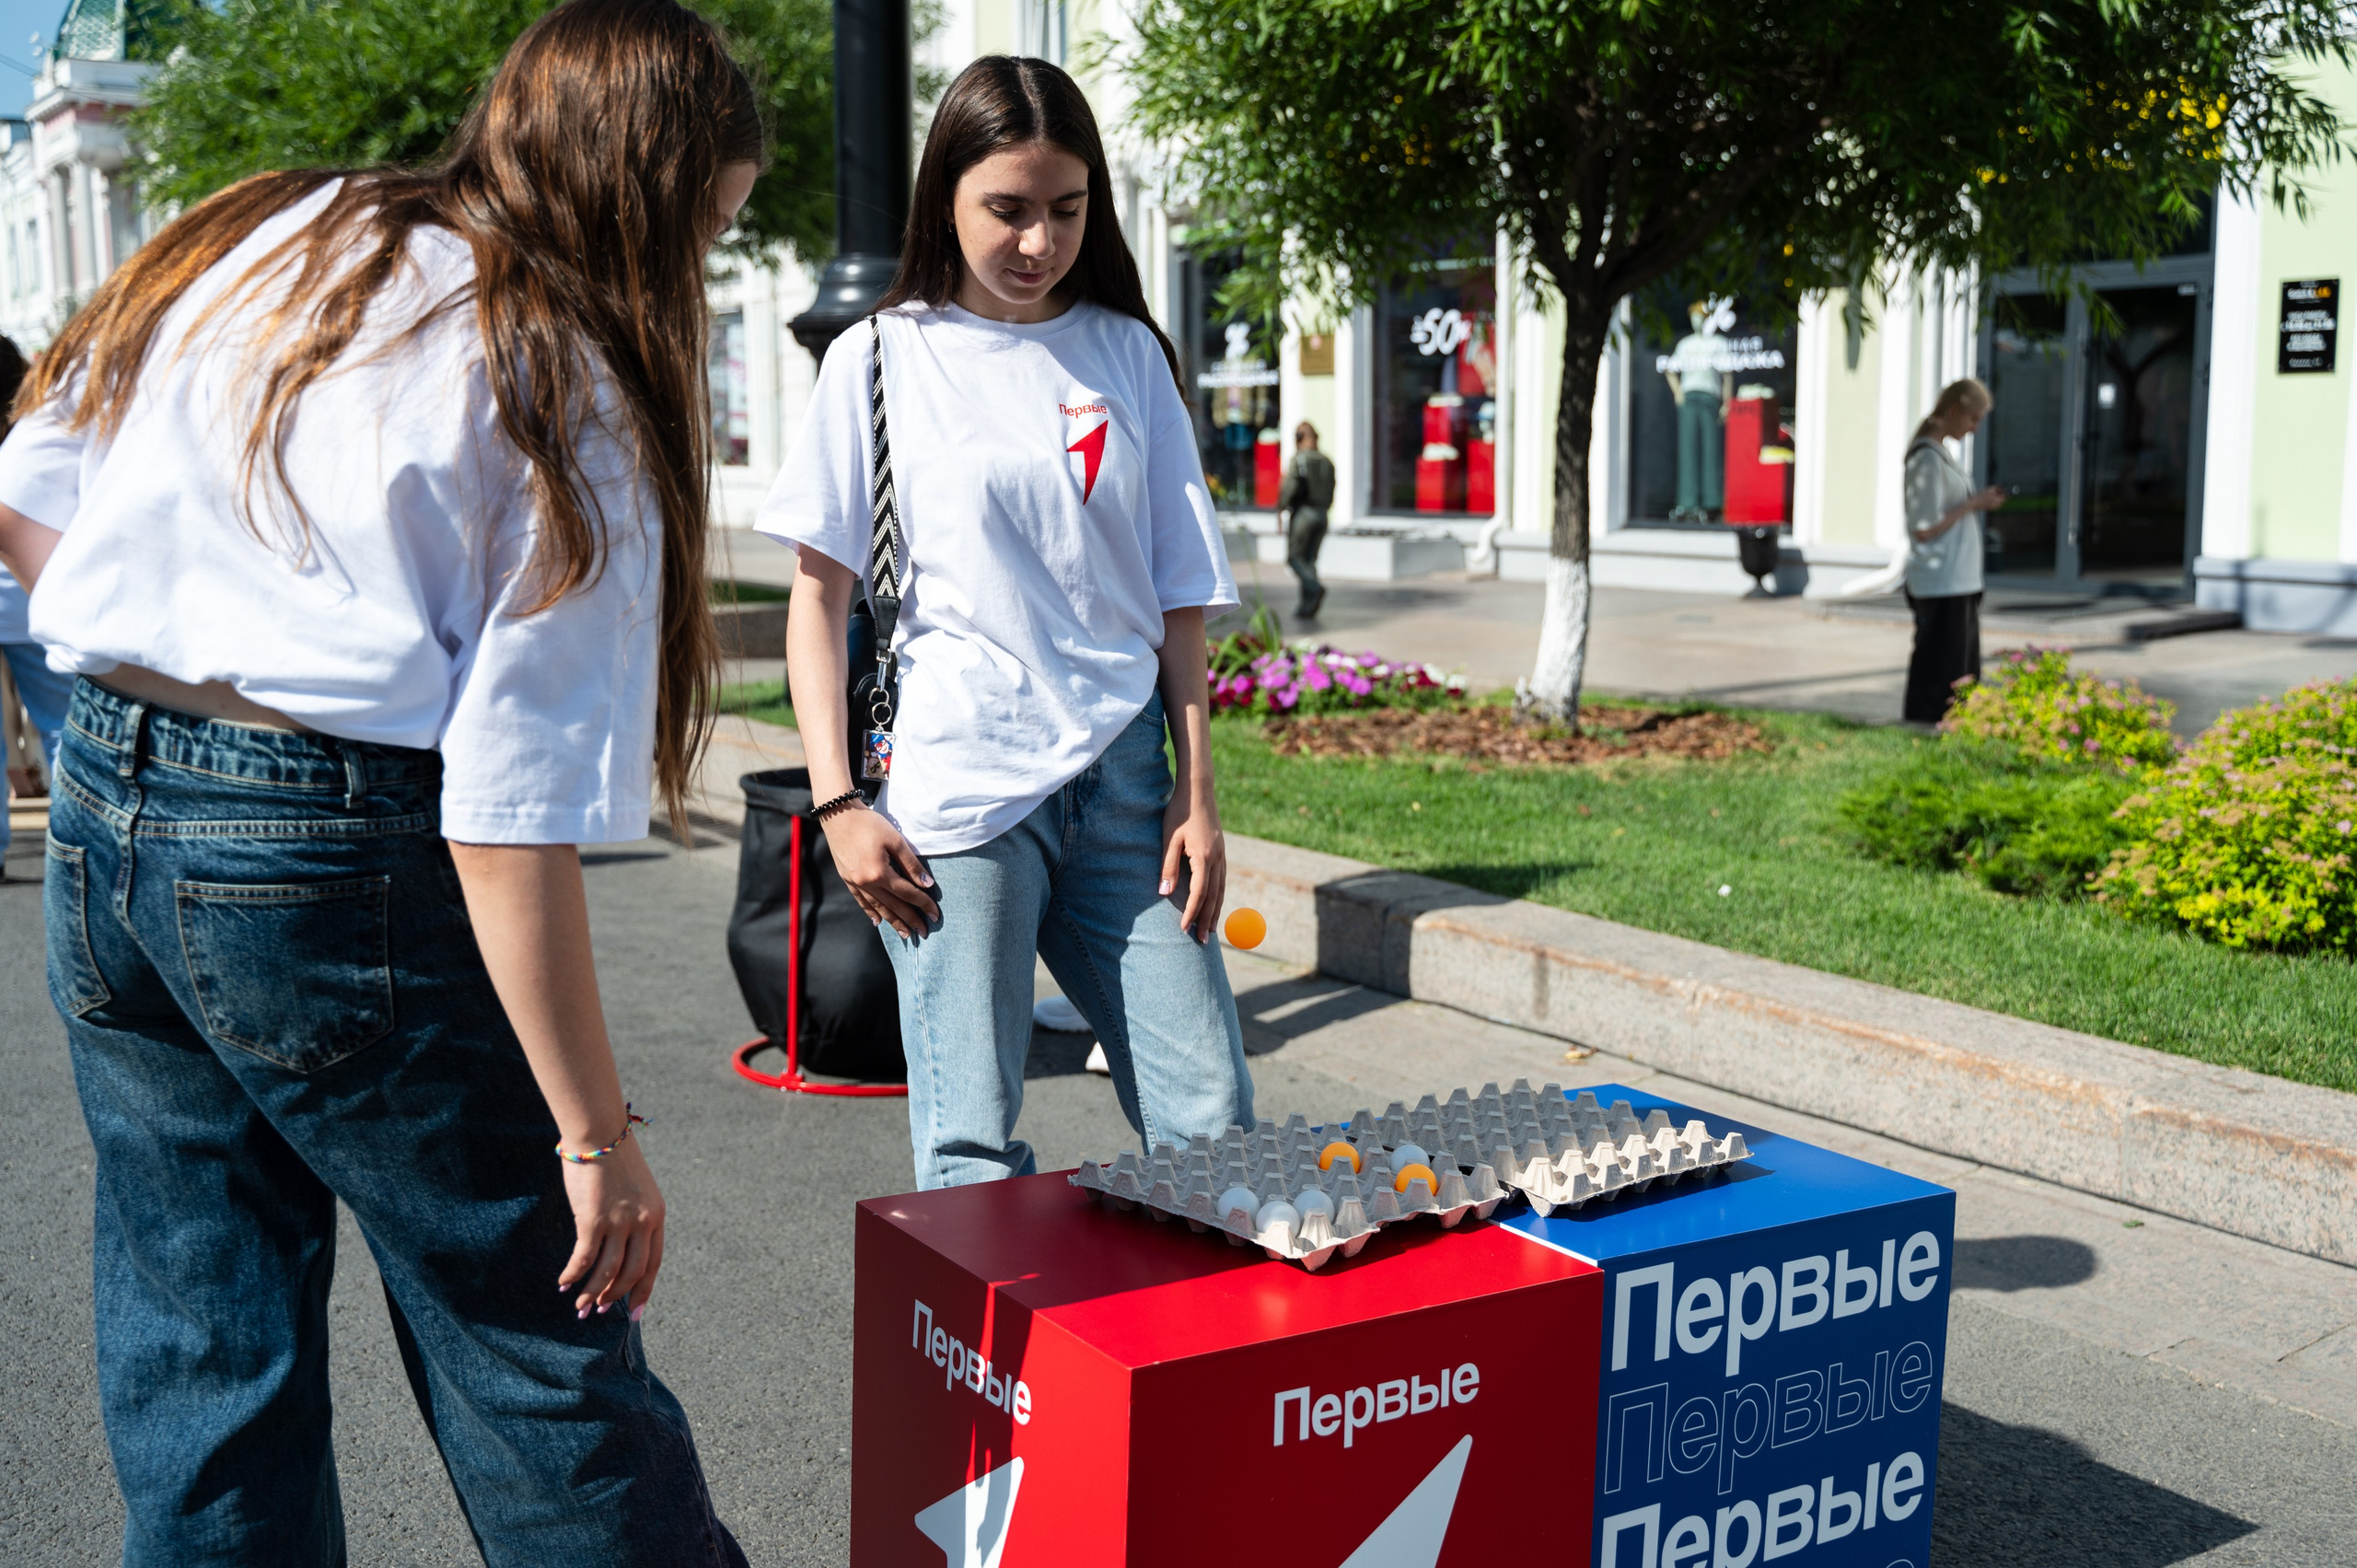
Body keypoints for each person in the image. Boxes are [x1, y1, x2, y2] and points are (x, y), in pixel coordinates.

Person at [0, 2, 757, 1560]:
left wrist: (190, 633)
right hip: (319, 825)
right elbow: (505, 816)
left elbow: (30, 469)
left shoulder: (281, 229)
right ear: (643, 193)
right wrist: (595, 1136)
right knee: (534, 1336)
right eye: (705, 228)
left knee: (202, 1338)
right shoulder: (561, 366)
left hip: (107, 785)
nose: (696, 271)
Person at [766, 55, 1254, 1191]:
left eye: (1067, 209)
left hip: (1123, 785)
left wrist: (1197, 790)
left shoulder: (1128, 353)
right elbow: (817, 598)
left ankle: (1193, 1314)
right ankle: (1000, 1326)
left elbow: (1177, 597)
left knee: (1213, 1120)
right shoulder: (878, 356)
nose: (1039, 240)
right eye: (1008, 208)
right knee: (972, 1147)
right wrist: (838, 806)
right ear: (945, 195)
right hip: (959, 794)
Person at [0, 332, 70, 882]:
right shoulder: (37, 434)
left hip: (31, 593)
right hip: (34, 596)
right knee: (66, 726)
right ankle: (83, 846)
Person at [1902, 377, 2007, 722]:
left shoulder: (1940, 455)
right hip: (1941, 582)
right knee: (1940, 675)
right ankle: (1924, 732)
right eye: (1973, 419)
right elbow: (1924, 527)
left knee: (1960, 673)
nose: (1975, 428)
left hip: (1957, 582)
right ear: (1954, 411)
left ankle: (1949, 732)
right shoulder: (1926, 460)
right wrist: (1973, 503)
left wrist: (1975, 502)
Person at [1663, 300, 1726, 523]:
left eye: (1699, 316)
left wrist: (1727, 401)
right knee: (1688, 449)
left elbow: (1727, 374)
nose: (1696, 321)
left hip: (1710, 397)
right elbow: (1670, 369)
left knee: (1711, 450)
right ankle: (1687, 503)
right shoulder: (1685, 345)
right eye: (1693, 317)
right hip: (1689, 396)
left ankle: (1711, 503)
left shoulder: (1718, 343)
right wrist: (1678, 392)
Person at [1278, 420, 1336, 619]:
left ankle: (1314, 588)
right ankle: (1307, 605)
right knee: (1309, 561)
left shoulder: (1300, 459)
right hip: (1322, 514)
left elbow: (1290, 487)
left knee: (1295, 559)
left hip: (1304, 513)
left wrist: (1282, 508)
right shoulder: (1327, 461)